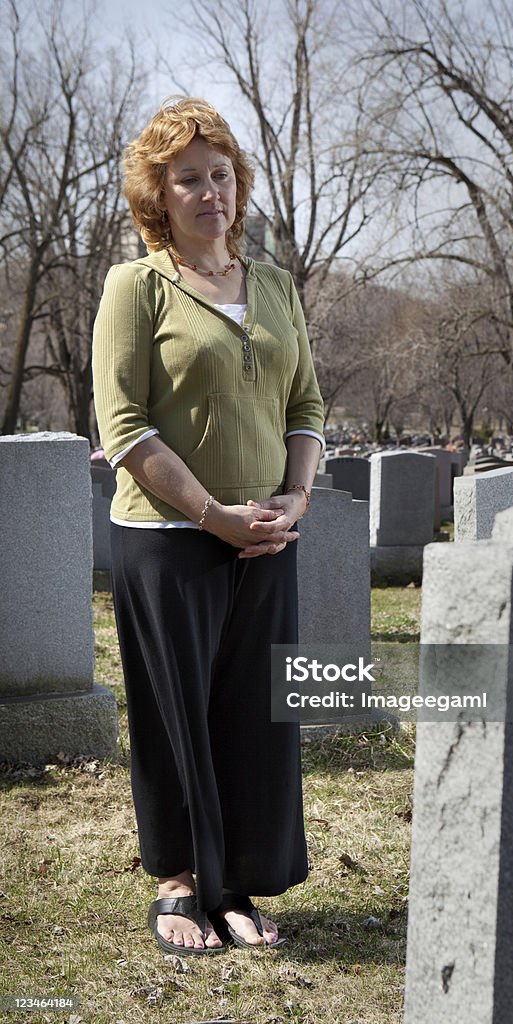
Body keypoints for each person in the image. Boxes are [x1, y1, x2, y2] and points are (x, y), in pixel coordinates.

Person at [92, 97, 325, 955]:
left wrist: (292, 501)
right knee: (176, 713)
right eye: (187, 178)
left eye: (220, 174)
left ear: (238, 185)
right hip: (168, 537)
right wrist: (212, 515)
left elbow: (305, 402)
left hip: (269, 532)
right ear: (159, 194)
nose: (208, 192)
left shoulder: (273, 287)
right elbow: (122, 425)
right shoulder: (136, 287)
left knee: (255, 716)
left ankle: (241, 884)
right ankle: (181, 884)